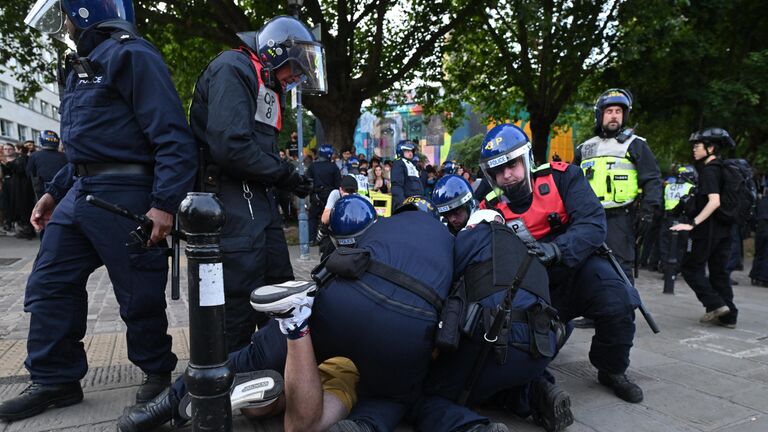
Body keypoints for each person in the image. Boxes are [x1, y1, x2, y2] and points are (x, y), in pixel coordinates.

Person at [0, 0, 198, 421]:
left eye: (67, 12)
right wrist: (53, 193)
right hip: (80, 190)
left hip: (125, 191)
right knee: (49, 283)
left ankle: (156, 372)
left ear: (88, 10)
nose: (64, 22)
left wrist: (163, 204)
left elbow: (174, 138)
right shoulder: (81, 63)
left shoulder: (131, 54)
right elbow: (82, 146)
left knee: (137, 291)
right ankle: (55, 379)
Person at [119, 194, 456, 432]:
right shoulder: (450, 242)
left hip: (339, 307)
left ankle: (155, 411)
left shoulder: (384, 228)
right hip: (405, 329)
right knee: (395, 396)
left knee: (248, 357)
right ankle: (363, 425)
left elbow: (342, 261)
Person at [479, 124, 644, 404]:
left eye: (512, 165)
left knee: (620, 302)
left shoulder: (564, 177)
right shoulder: (488, 209)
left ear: (526, 159)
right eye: (498, 170)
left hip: (579, 264)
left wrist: (557, 249)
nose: (506, 175)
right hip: (534, 282)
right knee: (526, 346)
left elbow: (593, 224)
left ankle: (611, 369)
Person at [189, 15, 318, 352]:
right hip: (230, 199)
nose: (298, 77)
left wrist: (284, 182)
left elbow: (261, 151)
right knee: (239, 299)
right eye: (296, 67)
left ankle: (278, 367)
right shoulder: (234, 68)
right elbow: (231, 146)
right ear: (276, 53)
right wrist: (284, 174)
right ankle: (232, 376)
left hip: (258, 201)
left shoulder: (268, 86)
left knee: (280, 289)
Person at [573, 88, 663, 284]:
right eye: (609, 111)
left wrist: (647, 213)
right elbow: (571, 183)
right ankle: (596, 313)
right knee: (586, 265)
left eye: (618, 112)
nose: (614, 116)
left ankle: (623, 314)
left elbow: (652, 180)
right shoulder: (584, 148)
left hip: (620, 218)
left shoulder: (635, 144)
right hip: (588, 217)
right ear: (600, 114)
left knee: (619, 268)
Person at [671, 128, 739, 328]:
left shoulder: (710, 170)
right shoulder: (722, 169)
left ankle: (715, 304)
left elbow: (714, 201)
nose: (694, 149)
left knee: (690, 268)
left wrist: (693, 223)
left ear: (710, 148)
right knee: (719, 272)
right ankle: (729, 316)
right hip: (724, 230)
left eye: (697, 146)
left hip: (708, 230)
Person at [307, 144, 341, 245]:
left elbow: (308, 182)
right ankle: (328, 239)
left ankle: (312, 239)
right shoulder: (333, 167)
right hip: (329, 196)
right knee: (330, 218)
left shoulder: (313, 166)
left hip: (316, 195)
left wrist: (312, 195)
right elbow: (338, 183)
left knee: (312, 217)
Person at [26, 131, 68, 201]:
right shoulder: (65, 156)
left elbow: (29, 173)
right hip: (62, 188)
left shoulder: (34, 155)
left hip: (42, 190)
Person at [390, 140, 424, 208]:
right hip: (407, 203)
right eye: (407, 151)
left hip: (416, 202)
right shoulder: (399, 163)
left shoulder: (412, 164)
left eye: (411, 151)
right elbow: (397, 185)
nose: (410, 153)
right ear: (401, 151)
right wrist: (402, 204)